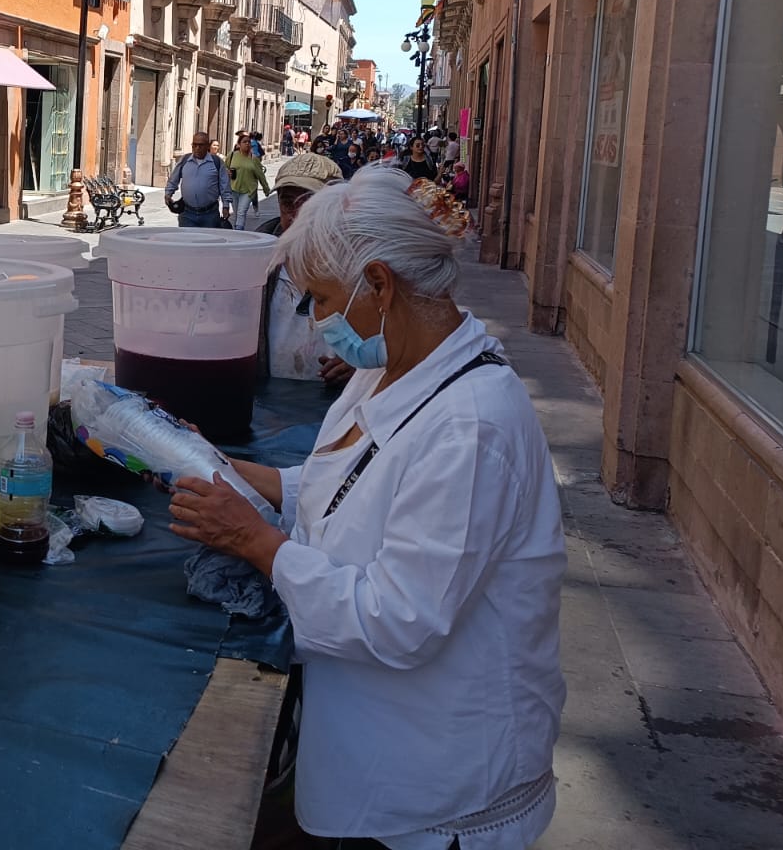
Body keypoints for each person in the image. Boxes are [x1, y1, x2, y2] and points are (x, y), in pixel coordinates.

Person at [168, 168, 565, 849]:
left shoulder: (471, 426)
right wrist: (231, 472)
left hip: (434, 791)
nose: (318, 322)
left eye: (322, 300)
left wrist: (259, 545)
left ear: (379, 285)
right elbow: (339, 491)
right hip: (377, 750)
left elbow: (400, 618)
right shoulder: (390, 369)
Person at [255, 153, 351, 385]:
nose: (297, 214)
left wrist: (363, 367)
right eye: (288, 203)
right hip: (269, 400)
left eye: (309, 203)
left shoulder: (358, 262)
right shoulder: (258, 257)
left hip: (335, 400)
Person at [165, 131, 233, 228]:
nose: (197, 148)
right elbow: (173, 179)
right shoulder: (185, 160)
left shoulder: (216, 162)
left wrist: (226, 206)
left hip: (210, 214)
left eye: (201, 145)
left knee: (208, 242)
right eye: (194, 145)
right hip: (187, 213)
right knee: (187, 242)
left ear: (207, 146)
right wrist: (168, 193)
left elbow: (224, 185)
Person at [227, 132, 269, 230]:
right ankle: (238, 230)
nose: (247, 144)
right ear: (239, 144)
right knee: (237, 213)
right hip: (234, 188)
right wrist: (227, 172)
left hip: (248, 190)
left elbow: (261, 175)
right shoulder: (232, 155)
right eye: (244, 142)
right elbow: (225, 167)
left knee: (241, 212)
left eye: (249, 142)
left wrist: (266, 189)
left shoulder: (253, 159)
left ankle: (238, 232)